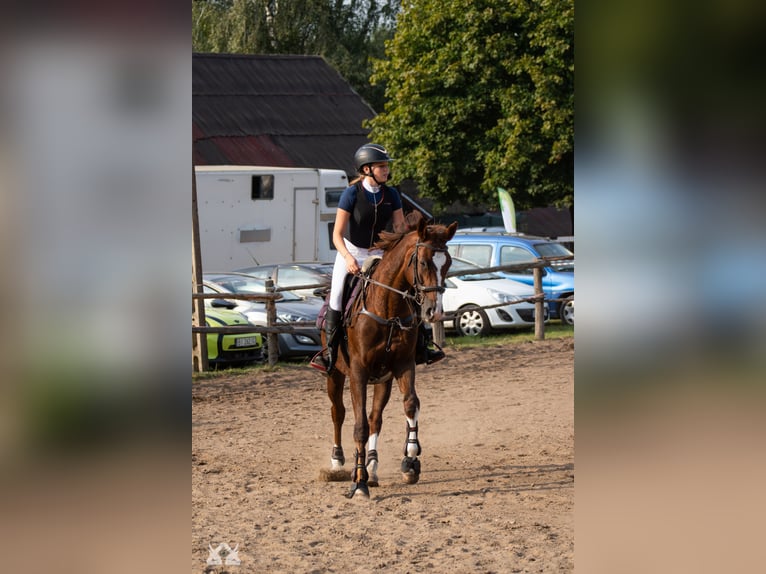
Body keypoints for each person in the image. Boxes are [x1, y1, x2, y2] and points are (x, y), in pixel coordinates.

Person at [310, 143, 444, 373]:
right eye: (381, 166)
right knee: (337, 298)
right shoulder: (351, 194)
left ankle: (422, 347)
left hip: (381, 254)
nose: (386, 170)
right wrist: (348, 258)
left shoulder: (391, 194)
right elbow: (336, 234)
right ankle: (329, 354)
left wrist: (413, 232)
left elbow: (400, 228)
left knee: (410, 293)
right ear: (366, 169)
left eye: (386, 166)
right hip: (351, 252)